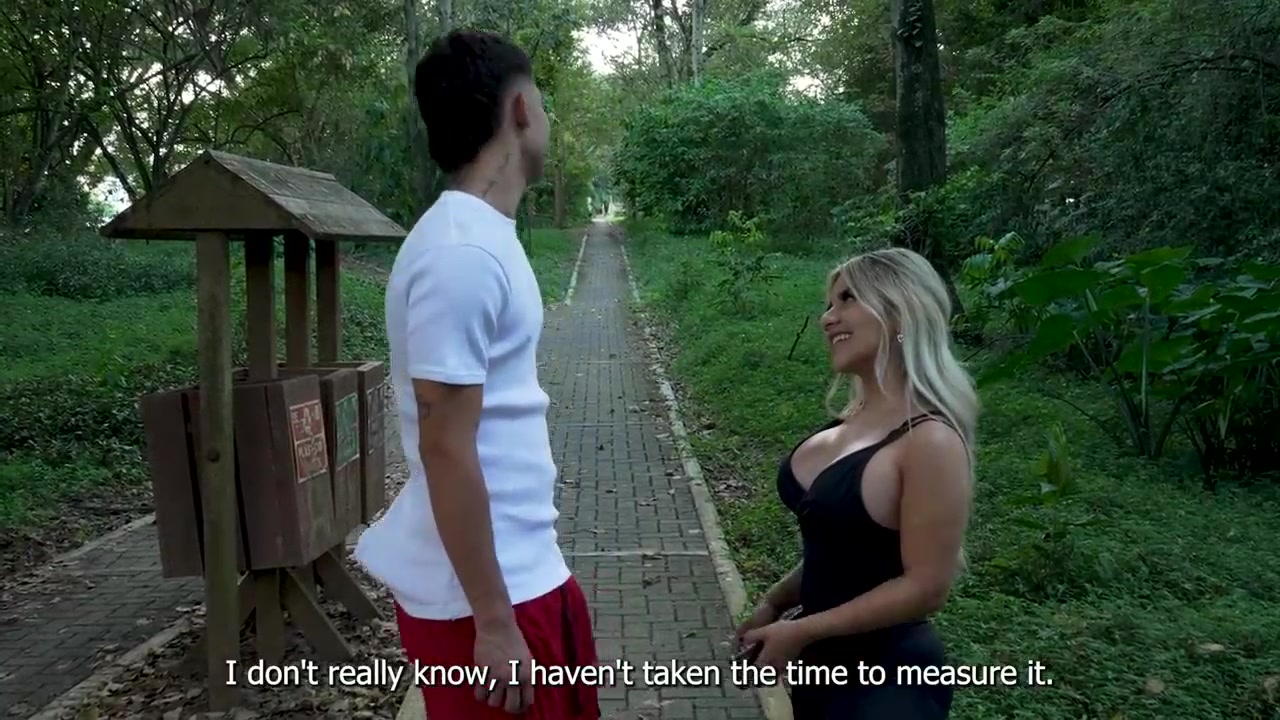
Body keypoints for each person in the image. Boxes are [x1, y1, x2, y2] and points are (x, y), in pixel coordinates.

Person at [353, 29, 599, 720]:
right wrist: (493, 620)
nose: (546, 117)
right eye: (542, 102)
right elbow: (444, 445)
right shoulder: (460, 255)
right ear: (520, 109)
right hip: (489, 606)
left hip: (523, 575)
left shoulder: (482, 238)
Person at [734, 247, 978, 719]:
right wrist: (776, 603)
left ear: (900, 312)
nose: (828, 318)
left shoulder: (930, 440)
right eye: (829, 304)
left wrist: (801, 631)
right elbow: (843, 551)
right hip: (822, 673)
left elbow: (927, 586)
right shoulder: (852, 422)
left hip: (889, 685)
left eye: (847, 299)